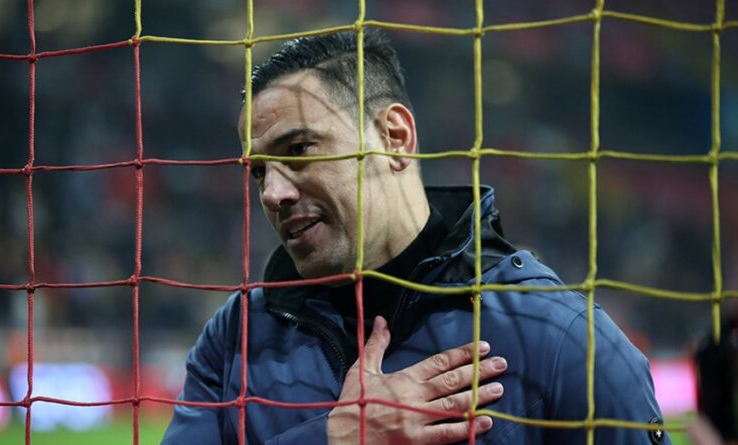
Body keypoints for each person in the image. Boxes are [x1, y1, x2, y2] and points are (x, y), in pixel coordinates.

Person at [162, 30, 668, 444]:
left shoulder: (561, 338)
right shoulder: (236, 339)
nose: (272, 193)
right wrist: (334, 439)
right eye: (258, 172)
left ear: (395, 138)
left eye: (298, 150)